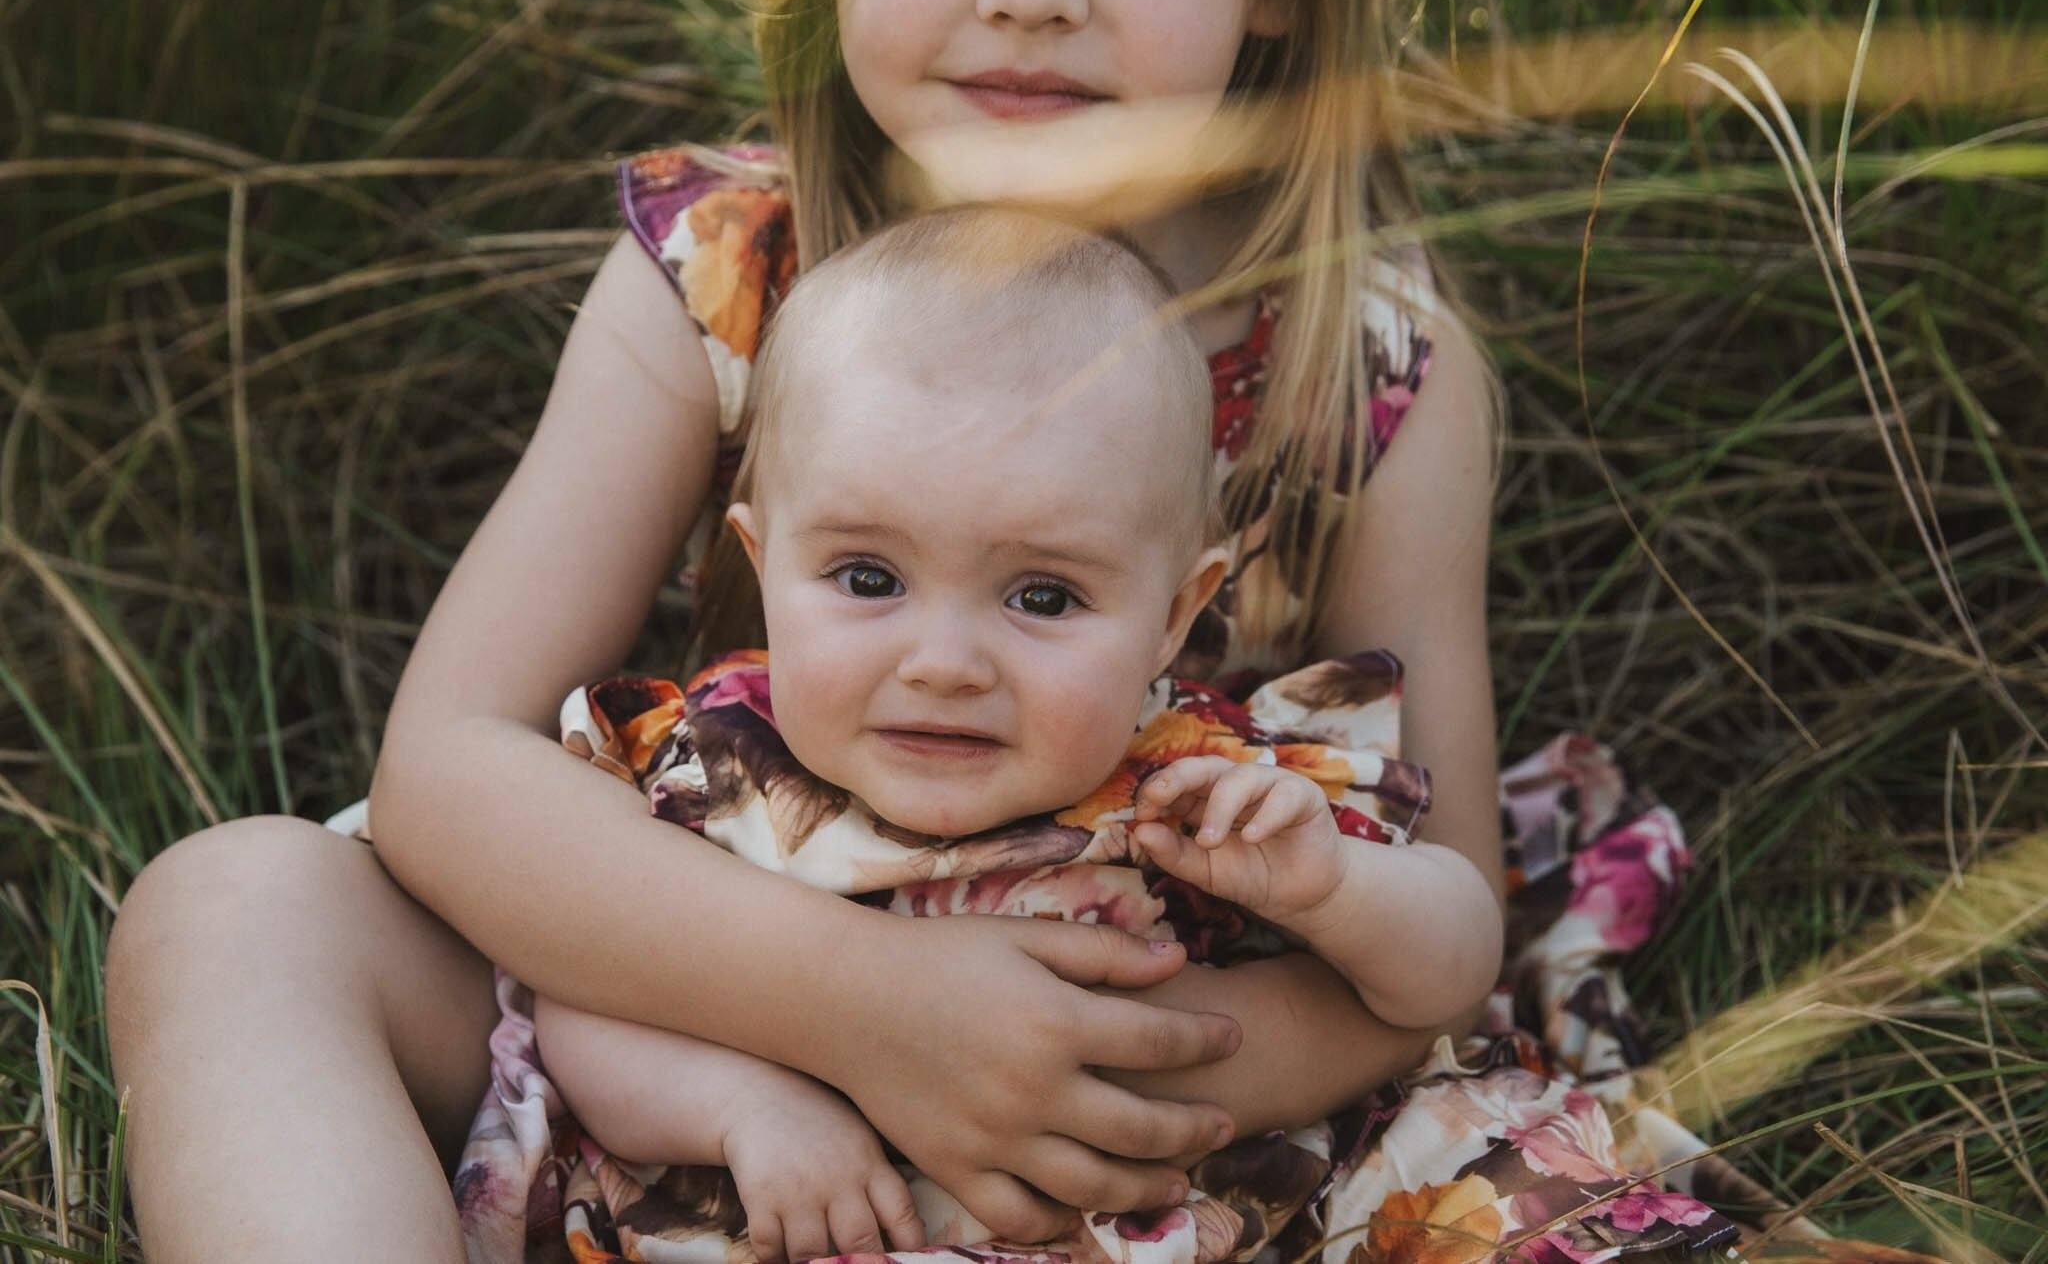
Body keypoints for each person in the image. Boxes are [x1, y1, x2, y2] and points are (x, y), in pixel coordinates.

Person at [102, 0, 1908, 1259]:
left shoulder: (1361, 368)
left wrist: (1065, 1093)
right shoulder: (728, 266)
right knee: (233, 910)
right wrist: (859, 1017)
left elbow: (1443, 904)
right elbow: (447, 768)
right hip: (717, 998)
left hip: (1175, 1069)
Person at [464, 206, 1501, 1262]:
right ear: (762, 563)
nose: (943, 662)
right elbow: (584, 1001)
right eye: (867, 579)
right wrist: (742, 1106)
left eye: (1043, 598)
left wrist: (1335, 890)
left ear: (1173, 617)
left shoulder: (1199, 782)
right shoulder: (717, 770)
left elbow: (1453, 964)